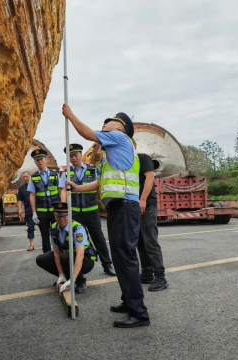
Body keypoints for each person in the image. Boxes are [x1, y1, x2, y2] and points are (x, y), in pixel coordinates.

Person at [62, 104, 150, 328]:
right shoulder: (114, 152)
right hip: (118, 207)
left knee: (126, 257)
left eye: (109, 121)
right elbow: (99, 182)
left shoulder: (119, 138)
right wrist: (77, 187)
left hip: (125, 206)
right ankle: (128, 301)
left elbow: (87, 133)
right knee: (120, 257)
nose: (105, 124)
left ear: (120, 127)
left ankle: (139, 313)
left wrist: (70, 114)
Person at [59, 143, 116, 276]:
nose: (73, 158)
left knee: (98, 238)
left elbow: (99, 186)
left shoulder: (93, 169)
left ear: (81, 155)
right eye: (71, 156)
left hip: (91, 211)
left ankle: (107, 265)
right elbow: (63, 190)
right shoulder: (66, 173)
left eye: (76, 155)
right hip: (75, 213)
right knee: (76, 241)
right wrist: (63, 206)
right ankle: (79, 273)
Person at [36, 202, 96, 294]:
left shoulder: (77, 228)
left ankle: (80, 281)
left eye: (65, 215)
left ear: (69, 215)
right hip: (67, 258)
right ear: (54, 216)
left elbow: (80, 255)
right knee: (41, 259)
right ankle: (65, 278)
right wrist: (61, 274)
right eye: (59, 216)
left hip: (85, 260)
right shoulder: (54, 227)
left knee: (65, 257)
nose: (62, 219)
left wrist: (74, 278)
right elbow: (56, 254)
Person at [135, 146, 169, 291]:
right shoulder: (127, 163)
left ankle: (160, 277)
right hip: (134, 207)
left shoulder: (143, 158)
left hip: (147, 205)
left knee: (150, 241)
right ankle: (147, 273)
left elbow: (150, 177)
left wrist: (143, 199)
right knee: (140, 241)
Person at [27, 149, 60, 253]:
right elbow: (32, 195)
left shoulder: (55, 175)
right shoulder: (33, 177)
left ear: (45, 160)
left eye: (41, 159)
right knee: (44, 236)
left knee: (57, 234)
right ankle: (48, 257)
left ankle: (59, 255)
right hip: (42, 212)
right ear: (35, 162)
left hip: (55, 211)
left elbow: (61, 191)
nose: (40, 161)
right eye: (37, 160)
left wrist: (63, 209)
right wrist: (34, 213)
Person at [17, 171, 35, 251]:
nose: (25, 178)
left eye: (26, 176)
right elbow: (20, 200)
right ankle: (31, 244)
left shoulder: (35, 185)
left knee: (44, 227)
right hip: (28, 210)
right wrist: (20, 209)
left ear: (30, 176)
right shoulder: (21, 188)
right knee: (30, 228)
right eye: (23, 177)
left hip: (39, 209)